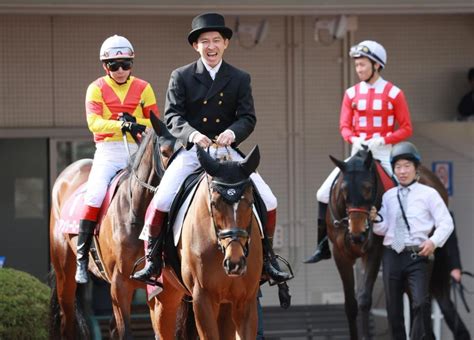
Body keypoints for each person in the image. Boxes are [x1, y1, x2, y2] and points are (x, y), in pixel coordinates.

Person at [132, 12, 291, 284]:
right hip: (194, 151)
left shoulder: (239, 77)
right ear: (196, 46)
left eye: (216, 40)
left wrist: (232, 132)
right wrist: (193, 135)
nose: (211, 46)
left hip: (227, 152)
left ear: (225, 43)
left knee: (269, 198)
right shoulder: (181, 76)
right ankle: (153, 260)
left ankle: (268, 258)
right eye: (205, 41)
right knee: (162, 198)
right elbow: (172, 117)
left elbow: (248, 118)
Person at [304, 40, 413, 263]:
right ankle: (323, 244)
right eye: (357, 65)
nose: (359, 69)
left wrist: (383, 139)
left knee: (400, 196)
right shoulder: (351, 93)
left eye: (363, 65)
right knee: (322, 193)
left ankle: (402, 242)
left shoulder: (394, 93)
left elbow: (406, 128)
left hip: (383, 153)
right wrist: (354, 138)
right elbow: (344, 126)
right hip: (357, 152)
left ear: (377, 65)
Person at [75, 35, 158, 284]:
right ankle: (81, 258)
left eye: (125, 64)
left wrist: (135, 123)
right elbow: (94, 122)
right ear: (105, 66)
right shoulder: (96, 87)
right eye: (114, 65)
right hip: (109, 151)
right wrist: (121, 123)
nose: (121, 70)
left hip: (138, 149)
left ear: (132, 64)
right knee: (94, 194)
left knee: (162, 191)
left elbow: (155, 121)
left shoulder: (144, 87)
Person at [371, 141, 454, 340]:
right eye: (398, 167)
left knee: (420, 303)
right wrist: (374, 219)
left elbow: (446, 223)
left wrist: (433, 241)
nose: (402, 171)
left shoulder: (429, 194)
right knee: (394, 309)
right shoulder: (389, 196)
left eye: (407, 166)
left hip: (418, 254)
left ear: (416, 169)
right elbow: (382, 229)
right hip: (392, 254)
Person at [430, 216, 471, 340]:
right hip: (417, 268)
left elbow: (452, 242)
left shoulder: (444, 212)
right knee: (420, 308)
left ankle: (463, 337)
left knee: (446, 306)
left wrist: (455, 267)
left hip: (438, 269)